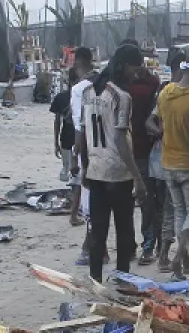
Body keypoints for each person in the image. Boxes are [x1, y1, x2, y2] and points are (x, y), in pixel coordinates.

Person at [81, 44, 147, 283]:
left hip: (96, 169)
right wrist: (137, 177)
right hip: (118, 173)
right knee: (124, 231)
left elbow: (82, 133)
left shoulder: (88, 93)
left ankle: (95, 280)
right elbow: (120, 138)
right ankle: (122, 280)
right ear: (123, 66)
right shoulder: (122, 96)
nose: (136, 74)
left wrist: (84, 166)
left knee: (98, 232)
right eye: (135, 69)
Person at [149, 61, 189, 279]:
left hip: (168, 163)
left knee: (178, 211)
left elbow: (154, 121)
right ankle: (179, 255)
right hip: (188, 164)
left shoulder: (166, 93)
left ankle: (183, 258)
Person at [119, 42, 164, 264]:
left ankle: (148, 244)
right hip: (120, 149)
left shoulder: (152, 82)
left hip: (143, 147)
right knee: (125, 202)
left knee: (147, 200)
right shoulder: (116, 84)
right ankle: (130, 246)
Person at [67, 47, 95, 235]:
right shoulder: (102, 83)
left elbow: (80, 126)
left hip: (86, 147)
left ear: (77, 62)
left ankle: (92, 247)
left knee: (88, 195)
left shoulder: (78, 90)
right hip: (104, 146)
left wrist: (76, 156)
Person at [49, 65, 80, 184]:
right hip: (82, 140)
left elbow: (57, 122)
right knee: (78, 172)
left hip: (66, 139)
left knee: (68, 170)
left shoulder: (60, 97)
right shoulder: (84, 95)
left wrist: (56, 142)